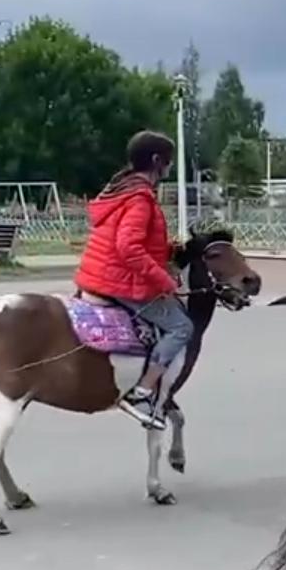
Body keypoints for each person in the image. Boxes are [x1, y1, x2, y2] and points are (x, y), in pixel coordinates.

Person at [74, 131, 194, 431]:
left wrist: (168, 250)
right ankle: (141, 393)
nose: (170, 168)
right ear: (157, 161)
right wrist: (165, 281)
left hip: (98, 273)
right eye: (168, 161)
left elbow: (135, 240)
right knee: (182, 326)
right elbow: (128, 249)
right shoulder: (140, 198)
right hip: (118, 281)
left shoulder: (121, 190)